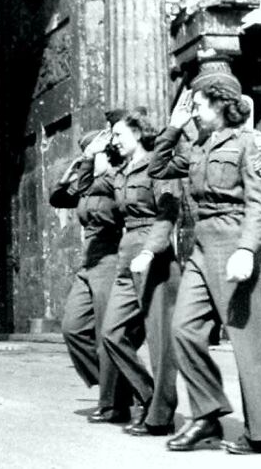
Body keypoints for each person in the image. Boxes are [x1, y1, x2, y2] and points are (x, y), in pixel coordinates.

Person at [149, 68, 261, 454]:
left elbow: (258, 201)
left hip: (233, 243)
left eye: (199, 104)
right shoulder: (197, 147)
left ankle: (260, 433)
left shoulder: (249, 142)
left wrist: (246, 249)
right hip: (201, 249)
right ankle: (206, 414)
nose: (195, 111)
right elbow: (156, 168)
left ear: (220, 102)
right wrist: (173, 127)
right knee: (183, 330)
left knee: (247, 343)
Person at [81, 110, 181, 436]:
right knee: (111, 333)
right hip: (127, 253)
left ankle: (159, 417)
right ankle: (149, 395)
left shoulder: (157, 166)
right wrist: (88, 156)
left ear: (138, 134)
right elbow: (83, 188)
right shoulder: (119, 172)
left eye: (120, 135)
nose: (115, 141)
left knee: (159, 342)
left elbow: (168, 212)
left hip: (154, 254)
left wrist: (151, 250)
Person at [50, 125, 133, 424]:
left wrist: (100, 166)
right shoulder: (88, 184)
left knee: (105, 334)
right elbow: (58, 198)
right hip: (89, 263)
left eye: (95, 152)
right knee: (73, 328)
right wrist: (78, 165)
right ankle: (121, 387)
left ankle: (113, 403)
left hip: (111, 260)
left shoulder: (118, 179)